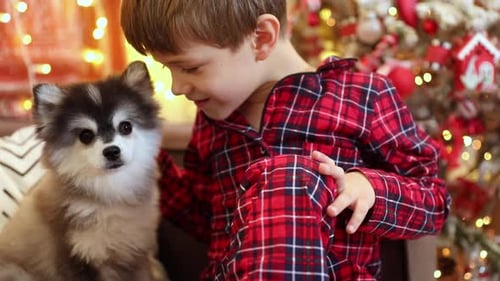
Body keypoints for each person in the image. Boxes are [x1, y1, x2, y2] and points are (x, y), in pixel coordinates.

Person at [120, 1, 451, 280]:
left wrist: (368, 189)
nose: (177, 87)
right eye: (168, 70)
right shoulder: (212, 121)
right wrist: (142, 161)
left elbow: (434, 200)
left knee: (292, 176)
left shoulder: (363, 96)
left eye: (190, 67)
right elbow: (204, 220)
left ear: (261, 38)